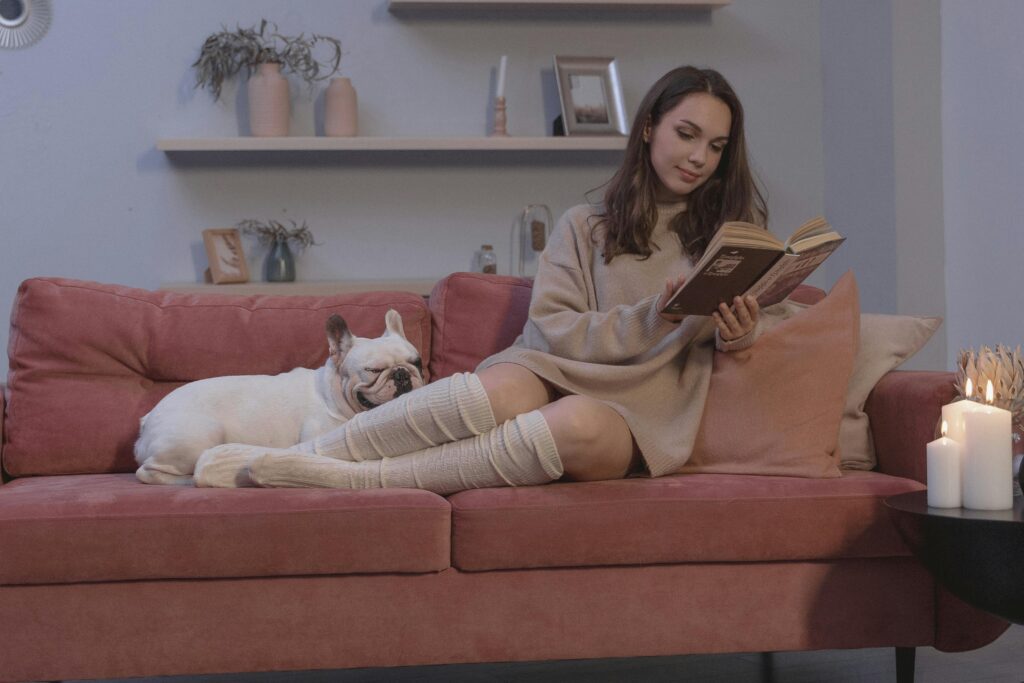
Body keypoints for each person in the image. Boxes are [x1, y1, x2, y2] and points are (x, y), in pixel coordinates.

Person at [194, 66, 770, 493]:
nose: (700, 157)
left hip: (640, 409)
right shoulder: (583, 226)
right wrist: (654, 318)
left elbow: (763, 327)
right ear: (648, 128)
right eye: (687, 134)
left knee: (574, 424)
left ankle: (355, 479)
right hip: (554, 367)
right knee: (501, 389)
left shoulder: (728, 241)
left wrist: (740, 334)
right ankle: (313, 455)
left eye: (716, 146)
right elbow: (553, 329)